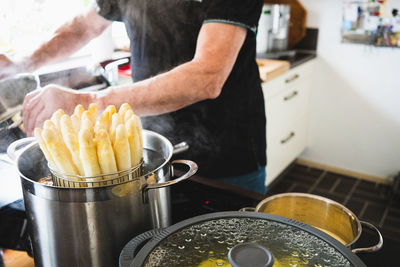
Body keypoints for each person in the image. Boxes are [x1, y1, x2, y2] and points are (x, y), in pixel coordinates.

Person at [0, 0, 267, 194]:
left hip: (228, 151)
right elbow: (82, 28)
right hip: (152, 148)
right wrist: (22, 63)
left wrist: (87, 102)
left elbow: (207, 77)